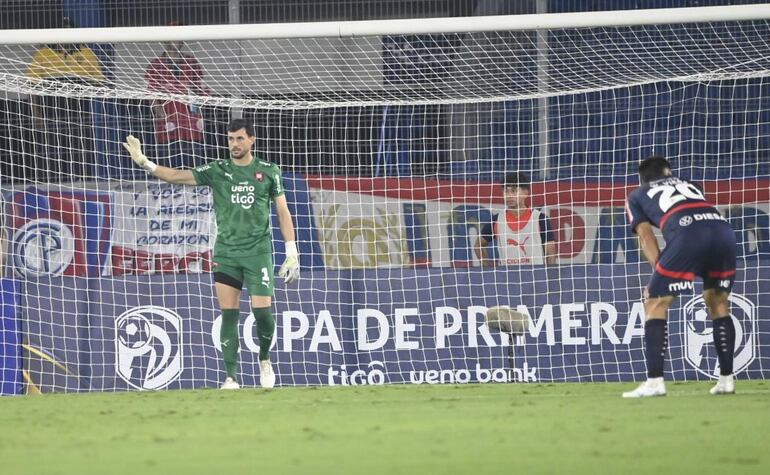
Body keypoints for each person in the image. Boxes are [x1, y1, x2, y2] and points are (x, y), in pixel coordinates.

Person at [122, 118, 300, 390]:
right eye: (230, 139)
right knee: (229, 314)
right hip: (227, 253)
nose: (235, 144)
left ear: (252, 140)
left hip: (258, 253)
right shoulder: (218, 170)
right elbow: (177, 176)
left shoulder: (268, 171)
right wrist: (146, 162)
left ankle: (264, 358)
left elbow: (283, 211)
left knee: (262, 313)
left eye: (240, 138)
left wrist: (291, 251)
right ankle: (231, 377)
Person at [622, 156, 738, 398]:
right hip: (723, 231)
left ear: (642, 178)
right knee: (718, 302)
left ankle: (654, 382)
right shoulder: (690, 184)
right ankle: (727, 380)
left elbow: (646, 237)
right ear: (669, 173)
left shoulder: (636, 194)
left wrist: (658, 274)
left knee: (655, 302)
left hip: (688, 233)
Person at [26, 15, 104, 180]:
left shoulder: (86, 52)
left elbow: (99, 83)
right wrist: (36, 113)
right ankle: (55, 184)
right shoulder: (44, 54)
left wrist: (83, 87)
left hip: (79, 112)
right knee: (54, 152)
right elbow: (31, 87)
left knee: (82, 151)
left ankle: (84, 183)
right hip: (52, 112)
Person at [145, 27, 208, 169]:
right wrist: (161, 114)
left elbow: (200, 88)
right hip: (169, 115)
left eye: (179, 37)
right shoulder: (156, 64)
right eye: (173, 36)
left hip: (190, 117)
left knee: (194, 155)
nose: (176, 40)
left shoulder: (191, 62)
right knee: (169, 156)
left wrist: (200, 107)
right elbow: (151, 93)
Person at [474, 171, 557, 266]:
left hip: (536, 278)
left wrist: (551, 277)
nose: (509, 195)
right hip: (506, 279)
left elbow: (550, 253)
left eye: (514, 191)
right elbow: (478, 245)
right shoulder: (497, 220)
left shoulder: (540, 219)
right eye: (506, 191)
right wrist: (489, 272)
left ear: (526, 193)